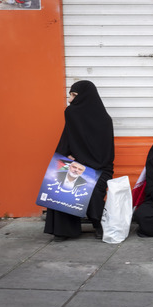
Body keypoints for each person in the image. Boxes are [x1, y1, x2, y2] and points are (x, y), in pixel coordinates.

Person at [43, 80, 115, 241]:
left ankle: (99, 224)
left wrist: (82, 161)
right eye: (70, 95)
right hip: (77, 164)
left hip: (100, 167)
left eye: (74, 96)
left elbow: (105, 155)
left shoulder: (104, 121)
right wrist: (66, 157)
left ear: (85, 97)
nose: (70, 100)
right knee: (61, 181)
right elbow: (66, 143)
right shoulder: (72, 115)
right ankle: (63, 230)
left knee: (93, 188)